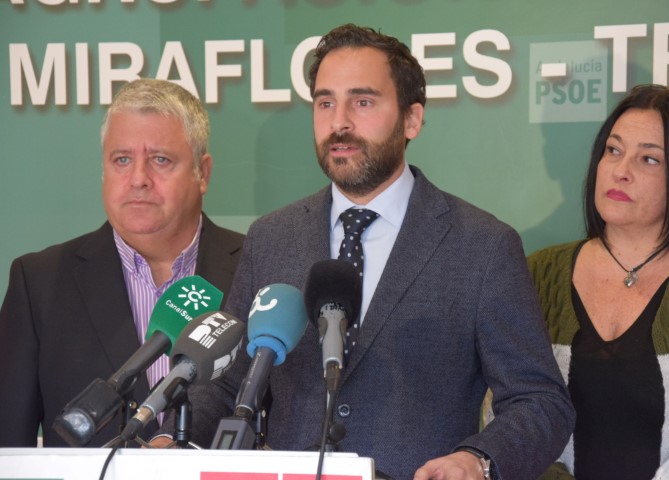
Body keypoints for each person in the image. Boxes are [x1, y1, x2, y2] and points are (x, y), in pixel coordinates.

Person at [156, 24, 574, 479]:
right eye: (325, 103)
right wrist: (167, 443)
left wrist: (478, 459)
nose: (339, 123)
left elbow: (540, 401)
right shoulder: (272, 237)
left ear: (412, 119)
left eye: (362, 102)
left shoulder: (482, 246)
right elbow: (226, 383)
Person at [0, 78, 245, 447]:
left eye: (160, 159)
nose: (138, 179)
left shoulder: (257, 266)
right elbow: (7, 450)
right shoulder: (39, 284)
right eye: (122, 160)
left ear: (202, 173)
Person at [528, 84, 669, 479]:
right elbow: (508, 408)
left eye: (649, 159)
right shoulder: (538, 272)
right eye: (613, 150)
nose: (620, 171)